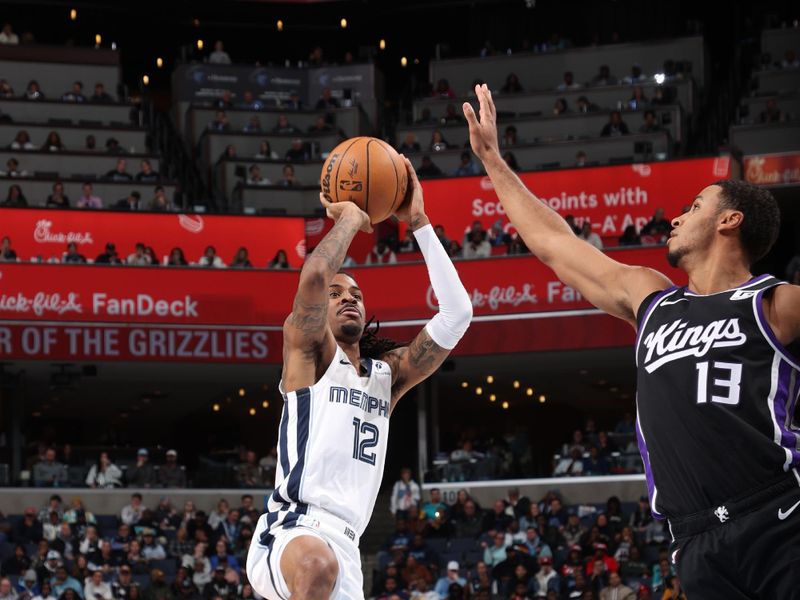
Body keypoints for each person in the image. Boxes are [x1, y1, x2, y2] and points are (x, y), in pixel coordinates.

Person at [463, 83, 800, 599]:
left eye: (694, 205)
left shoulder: (775, 303)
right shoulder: (652, 300)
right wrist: (492, 160)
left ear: (730, 221)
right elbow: (556, 244)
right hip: (693, 541)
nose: (678, 217)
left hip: (778, 519)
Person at [246, 159, 472, 600]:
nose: (347, 298)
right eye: (337, 294)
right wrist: (352, 216)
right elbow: (313, 276)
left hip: (347, 548)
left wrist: (420, 223)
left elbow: (458, 314)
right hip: (292, 529)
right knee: (316, 563)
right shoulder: (307, 353)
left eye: (356, 294)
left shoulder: (386, 378)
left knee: (326, 563)